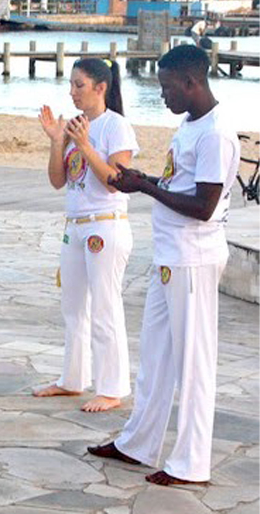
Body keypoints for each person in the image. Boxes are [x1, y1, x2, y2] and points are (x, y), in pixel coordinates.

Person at [88, 45, 241, 486]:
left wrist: (149, 190)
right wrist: (144, 182)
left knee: (193, 363)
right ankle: (138, 443)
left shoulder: (215, 133)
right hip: (169, 254)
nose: (162, 96)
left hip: (193, 257)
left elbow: (205, 206)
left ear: (191, 83)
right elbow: (181, 184)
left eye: (167, 87)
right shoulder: (190, 124)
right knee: (154, 356)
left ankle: (191, 462)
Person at [34, 58, 138, 413]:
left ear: (100, 87)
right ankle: (72, 378)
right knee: (73, 307)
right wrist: (56, 141)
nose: (72, 91)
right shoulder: (76, 125)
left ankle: (112, 386)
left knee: (105, 306)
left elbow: (115, 181)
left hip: (104, 223)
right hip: (75, 224)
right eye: (71, 84)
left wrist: (85, 144)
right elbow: (58, 180)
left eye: (79, 85)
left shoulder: (116, 126)